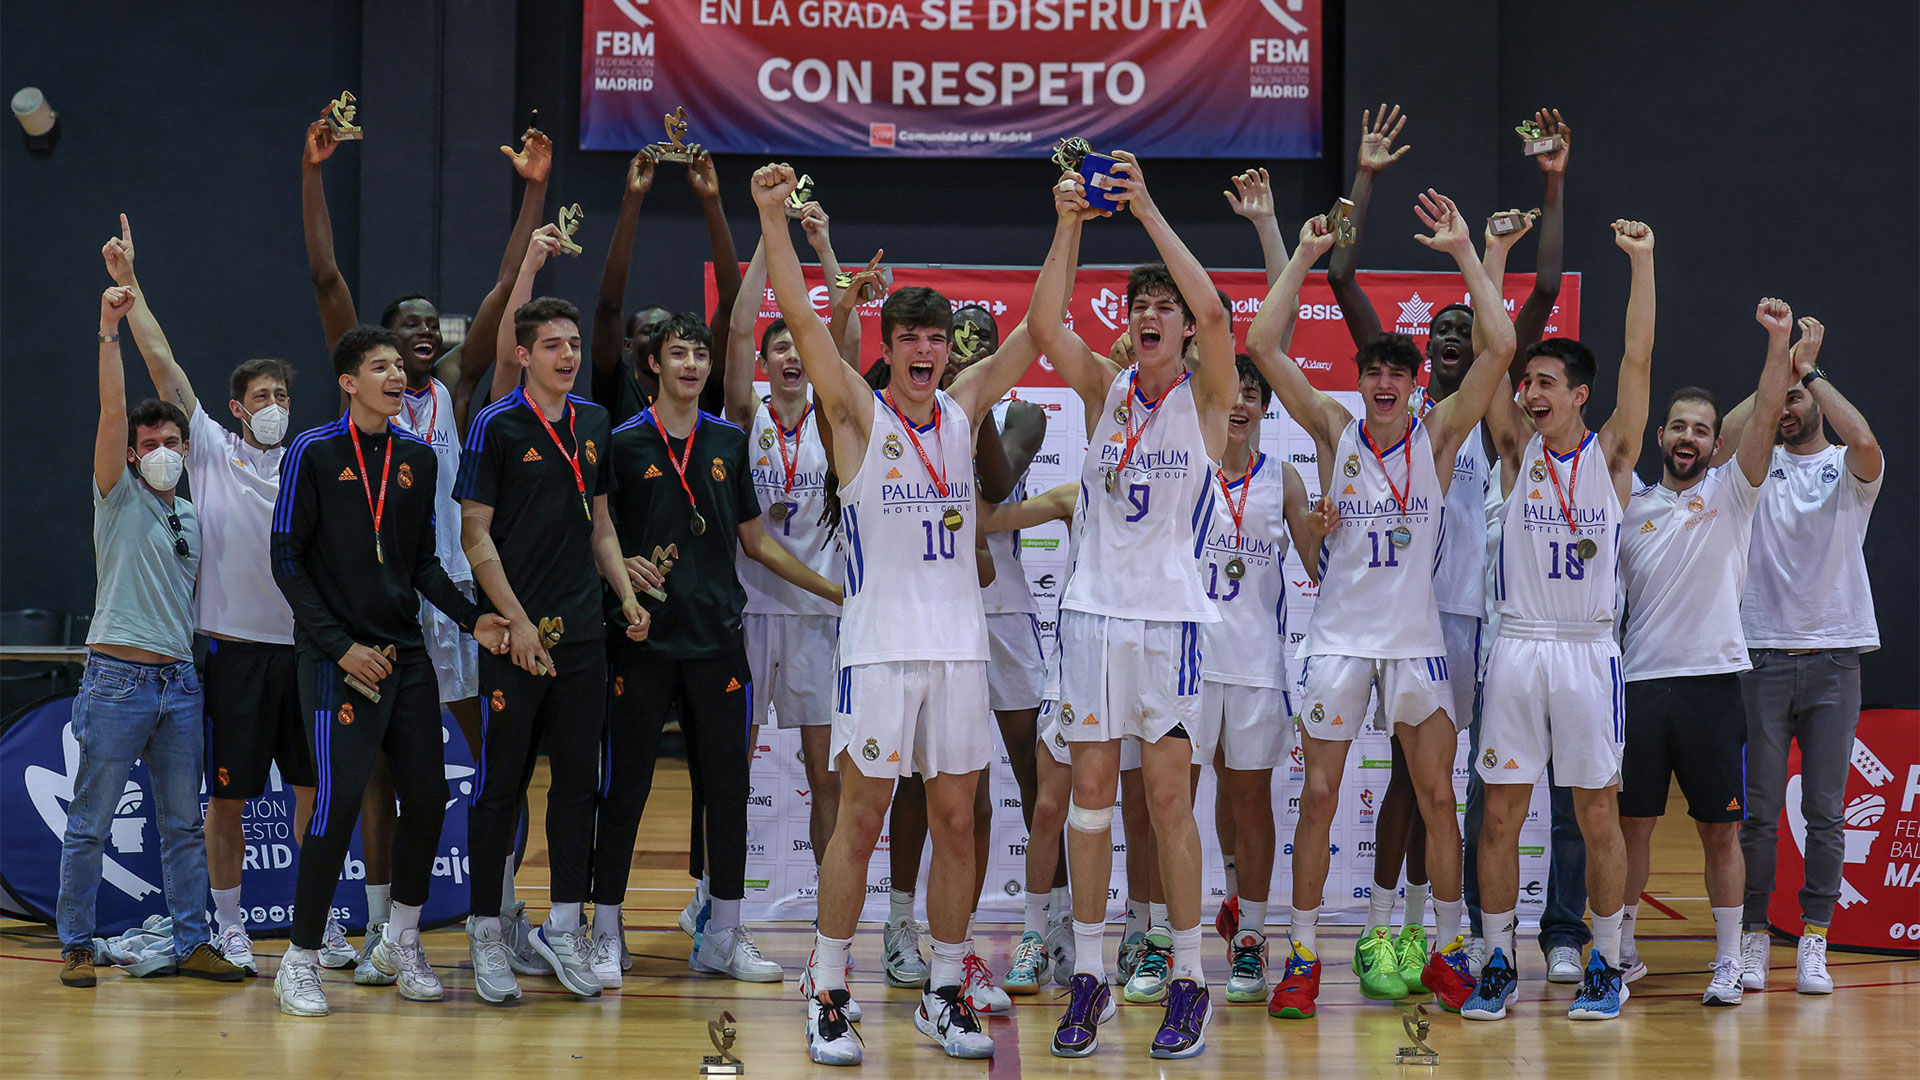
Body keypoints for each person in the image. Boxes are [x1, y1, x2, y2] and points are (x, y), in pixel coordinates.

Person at [754, 161, 1042, 1066]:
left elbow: (1039, 330)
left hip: (959, 654)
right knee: (864, 820)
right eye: (909, 335)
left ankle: (947, 988)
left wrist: (1068, 220)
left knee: (959, 819)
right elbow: (802, 319)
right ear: (891, 345)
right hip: (878, 652)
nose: (924, 349)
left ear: (948, 350)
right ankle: (829, 985)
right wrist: (770, 215)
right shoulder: (856, 415)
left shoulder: (962, 411)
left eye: (935, 337)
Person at [1329, 104, 1585, 984]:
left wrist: (1553, 182)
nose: (1444, 345)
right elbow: (1346, 271)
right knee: (1418, 784)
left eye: (1457, 334)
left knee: (1510, 785)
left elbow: (1541, 293)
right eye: (1430, 337)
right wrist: (1363, 179)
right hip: (1425, 616)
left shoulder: (1510, 412)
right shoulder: (1403, 414)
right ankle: (1393, 923)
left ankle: (1504, 931)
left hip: (1508, 620)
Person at [1250, 192, 1514, 1018]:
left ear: (1413, 382)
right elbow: (1261, 343)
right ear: (1361, 380)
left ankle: (1443, 951)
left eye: (1399, 372)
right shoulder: (1333, 429)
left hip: (1414, 641)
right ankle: (1299, 954)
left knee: (1439, 798)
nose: (1387, 382)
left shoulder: (1439, 435)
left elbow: (1499, 347)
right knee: (1320, 799)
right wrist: (1302, 252)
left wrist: (1468, 252)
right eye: (1374, 371)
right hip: (1337, 641)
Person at [303, 113, 554, 980]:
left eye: (426, 327)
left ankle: (506, 912)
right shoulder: (352, 419)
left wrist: (533, 194)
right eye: (402, 326)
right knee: (378, 777)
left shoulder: (449, 389)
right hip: (389, 611)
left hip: (456, 601)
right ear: (374, 346)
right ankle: (382, 931)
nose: (420, 333)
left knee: (499, 761)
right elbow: (327, 273)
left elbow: (501, 291)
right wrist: (314, 177)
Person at [1025, 153, 1235, 1061]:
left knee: (1170, 803)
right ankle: (1092, 976)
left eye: (1163, 311)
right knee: (1089, 803)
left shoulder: (1208, 397)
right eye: (1137, 308)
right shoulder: (1106, 391)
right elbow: (1041, 324)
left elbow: (1222, 312)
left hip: (1168, 622)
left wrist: (1146, 206)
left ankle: (1187, 975)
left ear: (1184, 330)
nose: (1148, 318)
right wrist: (1070, 219)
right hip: (1090, 619)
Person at [102, 217, 325, 976]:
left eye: (283, 394)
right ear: (236, 407)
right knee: (225, 801)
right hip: (232, 654)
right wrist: (131, 288)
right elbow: (162, 364)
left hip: (305, 654)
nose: (274, 404)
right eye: (261, 395)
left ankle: (313, 926)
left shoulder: (310, 460)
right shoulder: (210, 450)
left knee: (310, 791)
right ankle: (228, 928)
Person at [594, 310, 841, 989]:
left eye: (699, 355)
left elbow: (757, 543)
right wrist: (619, 577)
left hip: (717, 640)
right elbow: (597, 531)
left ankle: (724, 933)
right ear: (654, 365)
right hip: (643, 642)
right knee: (627, 789)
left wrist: (838, 592)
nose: (692, 366)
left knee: (728, 790)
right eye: (679, 355)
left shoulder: (730, 441)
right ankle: (606, 928)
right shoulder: (619, 443)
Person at [268, 327, 511, 1016]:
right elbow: (286, 561)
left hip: (405, 657)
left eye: (400, 367)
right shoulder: (311, 453)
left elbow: (423, 565)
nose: (397, 376)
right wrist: (341, 647)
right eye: (381, 367)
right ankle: (301, 958)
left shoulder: (418, 458)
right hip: (337, 662)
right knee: (337, 807)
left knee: (430, 800)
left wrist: (474, 619)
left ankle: (399, 941)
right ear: (349, 382)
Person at [1462, 219, 1657, 1023]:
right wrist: (1492, 257)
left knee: (1596, 812)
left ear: (1578, 394)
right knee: (1501, 813)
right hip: (1517, 648)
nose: (1530, 395)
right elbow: (1490, 352)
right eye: (1527, 384)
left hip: (1583, 652)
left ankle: (1606, 961)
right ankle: (1500, 959)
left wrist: (1643, 263)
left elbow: (1637, 359)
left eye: (1546, 383)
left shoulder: (1611, 456)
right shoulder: (1515, 451)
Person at [457, 265, 649, 1003]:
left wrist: (625, 595)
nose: (568, 356)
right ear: (526, 354)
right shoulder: (496, 424)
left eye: (573, 344)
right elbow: (475, 534)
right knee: (499, 789)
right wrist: (514, 620)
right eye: (553, 346)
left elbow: (601, 526)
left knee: (578, 783)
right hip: (514, 638)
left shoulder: (594, 423)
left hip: (583, 639)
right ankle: (487, 931)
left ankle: (563, 926)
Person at [59, 285, 245, 989]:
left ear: (184, 448)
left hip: (179, 683)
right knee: (90, 824)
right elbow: (113, 408)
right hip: (115, 680)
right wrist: (109, 328)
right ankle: (77, 943)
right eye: (151, 444)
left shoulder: (195, 517)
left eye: (172, 442)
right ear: (133, 455)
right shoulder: (117, 494)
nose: (162, 451)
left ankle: (194, 940)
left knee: (180, 827)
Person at [1617, 299, 1794, 1006]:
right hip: (1638, 685)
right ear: (1660, 434)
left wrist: (1780, 343)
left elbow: (1773, 404)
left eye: (1703, 429)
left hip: (1715, 686)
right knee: (1633, 828)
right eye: (1679, 427)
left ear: (1717, 442)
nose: (1689, 438)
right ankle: (1621, 948)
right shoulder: (1626, 500)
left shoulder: (1734, 492)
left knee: (1721, 835)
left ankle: (1726, 960)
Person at [1717, 315, 1881, 995]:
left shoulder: (1849, 469)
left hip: (1836, 658)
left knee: (1825, 811)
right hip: (1761, 654)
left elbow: (1867, 438)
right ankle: (1755, 937)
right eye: (1779, 399)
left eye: (1795, 399)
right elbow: (1724, 435)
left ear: (1816, 400)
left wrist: (1810, 372)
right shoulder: (1755, 467)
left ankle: (1814, 938)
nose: (1785, 408)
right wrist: (1776, 366)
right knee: (1757, 812)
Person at [1192, 356, 1329, 1004]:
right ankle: (1174, 936)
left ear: (1265, 409)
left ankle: (1250, 935)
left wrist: (1323, 530)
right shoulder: (1186, 468)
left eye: (1252, 394)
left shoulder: (1283, 478)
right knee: (1182, 804)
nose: (1240, 402)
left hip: (1253, 664)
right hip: (1188, 663)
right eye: (1231, 390)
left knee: (1249, 799)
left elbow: (1313, 561)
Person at [592, 148, 742, 426]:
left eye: (669, 331)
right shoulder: (616, 388)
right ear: (627, 345)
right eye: (650, 331)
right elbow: (608, 308)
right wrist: (633, 199)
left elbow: (733, 306)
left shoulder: (699, 385)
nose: (662, 337)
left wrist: (712, 201)